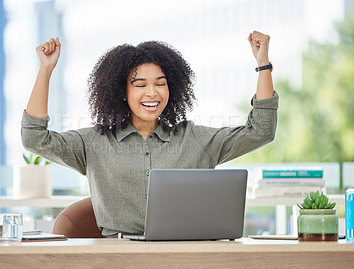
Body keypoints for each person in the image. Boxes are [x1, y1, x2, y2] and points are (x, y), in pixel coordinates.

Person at [21, 31, 279, 237]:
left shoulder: (195, 139)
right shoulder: (94, 142)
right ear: (122, 92)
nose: (152, 93)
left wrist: (263, 65)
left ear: (172, 88)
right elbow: (34, 138)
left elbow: (260, 131)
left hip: (185, 255)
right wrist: (45, 70)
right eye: (140, 85)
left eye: (160, 84)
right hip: (117, 256)